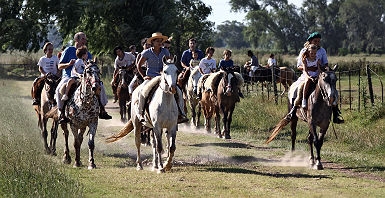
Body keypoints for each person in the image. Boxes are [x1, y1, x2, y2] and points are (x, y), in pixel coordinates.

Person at [56, 32, 111, 122]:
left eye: (85, 39)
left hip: (85, 77)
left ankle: (102, 109)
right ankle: (61, 112)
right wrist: (69, 64)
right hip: (69, 76)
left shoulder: (87, 53)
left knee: (100, 85)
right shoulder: (69, 50)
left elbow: (90, 67)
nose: (85, 41)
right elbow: (59, 66)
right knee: (59, 89)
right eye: (83, 39)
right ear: (76, 40)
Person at [136, 32, 188, 123]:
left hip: (163, 78)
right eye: (157, 41)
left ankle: (181, 113)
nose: (160, 43)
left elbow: (169, 63)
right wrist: (144, 76)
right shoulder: (146, 52)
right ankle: (140, 113)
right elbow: (139, 65)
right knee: (142, 91)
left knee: (179, 92)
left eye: (161, 41)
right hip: (151, 77)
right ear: (152, 42)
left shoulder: (165, 51)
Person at [297, 32, 344, 124]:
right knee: (300, 88)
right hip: (307, 74)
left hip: (320, 73)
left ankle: (335, 113)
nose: (317, 43)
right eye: (315, 41)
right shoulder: (304, 51)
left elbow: (325, 63)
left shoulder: (322, 50)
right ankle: (295, 107)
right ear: (310, 41)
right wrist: (309, 68)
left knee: (332, 88)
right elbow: (298, 66)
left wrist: (327, 69)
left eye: (318, 41)